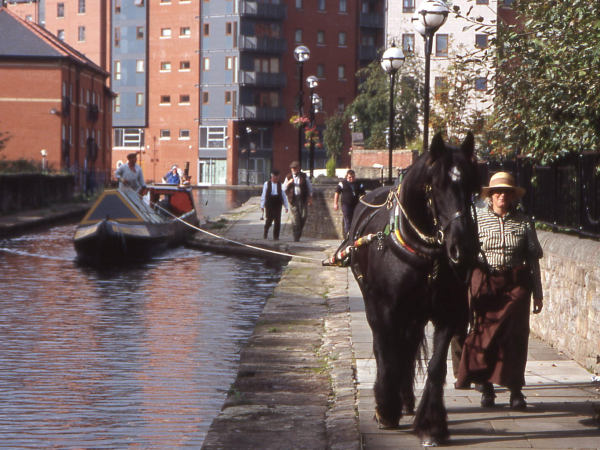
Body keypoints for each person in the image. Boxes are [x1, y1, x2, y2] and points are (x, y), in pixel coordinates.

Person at [455, 171, 544, 410]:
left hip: (516, 284)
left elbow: (533, 258)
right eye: (498, 192)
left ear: (513, 195)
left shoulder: (524, 221)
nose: (502, 196)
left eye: (507, 191)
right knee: (485, 336)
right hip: (486, 283)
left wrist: (538, 293)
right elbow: (464, 256)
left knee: (515, 338)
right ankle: (486, 387)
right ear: (490, 196)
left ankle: (515, 390)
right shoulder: (477, 220)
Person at [283, 161, 313, 242]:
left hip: (302, 198)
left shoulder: (304, 176)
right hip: (292, 199)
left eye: (295, 168)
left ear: (298, 168)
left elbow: (309, 187)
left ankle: (298, 233)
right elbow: (283, 188)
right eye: (292, 168)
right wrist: (289, 183)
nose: (293, 170)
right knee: (295, 219)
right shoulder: (288, 177)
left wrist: (310, 197)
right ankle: (296, 237)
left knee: (304, 216)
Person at [333, 169, 365, 236]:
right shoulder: (342, 183)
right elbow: (337, 193)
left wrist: (362, 199)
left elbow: (363, 194)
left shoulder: (359, 184)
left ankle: (354, 234)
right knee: (347, 220)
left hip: (356, 205)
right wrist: (335, 204)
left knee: (355, 220)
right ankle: (347, 235)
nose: (351, 178)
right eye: (350, 177)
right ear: (347, 177)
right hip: (346, 205)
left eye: (353, 177)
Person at [260, 169, 289, 240]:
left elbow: (284, 196)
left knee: (277, 220)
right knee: (269, 220)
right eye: (275, 177)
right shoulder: (266, 184)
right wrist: (262, 205)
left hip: (278, 203)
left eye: (277, 177)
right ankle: (265, 231)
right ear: (272, 177)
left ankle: (276, 237)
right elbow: (263, 195)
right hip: (269, 203)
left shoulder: (280, 185)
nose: (276, 179)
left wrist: (286, 206)